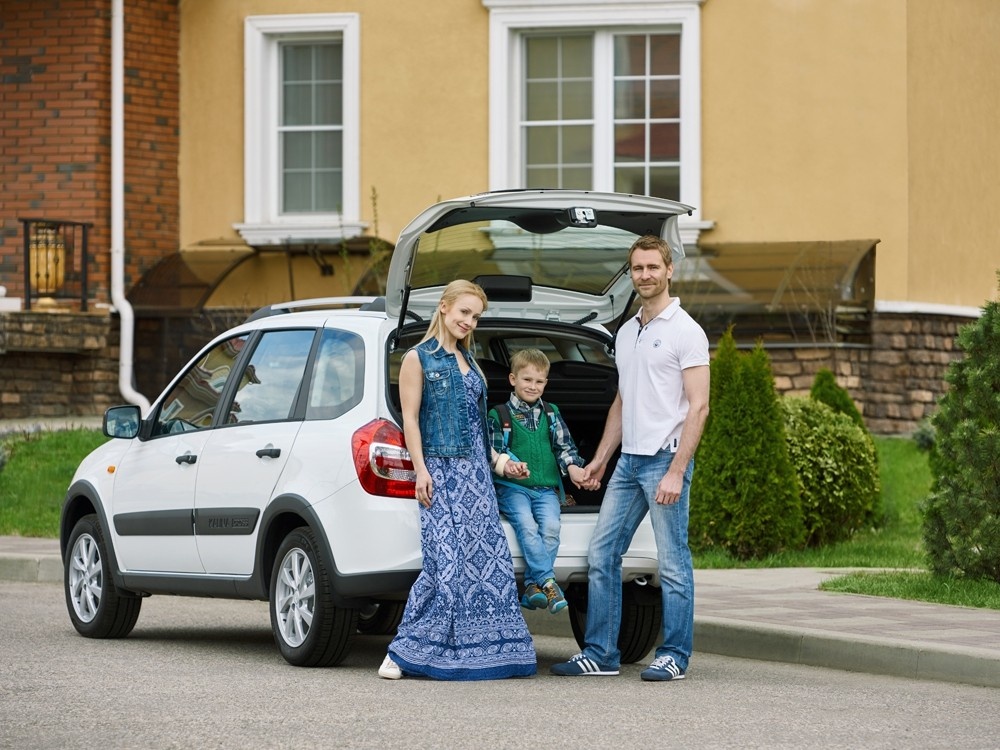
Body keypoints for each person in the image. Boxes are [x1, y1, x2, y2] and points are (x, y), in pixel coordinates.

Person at [549, 234, 710, 682]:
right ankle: (601, 653)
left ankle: (675, 654)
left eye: (652, 267)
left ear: (669, 270)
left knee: (673, 560)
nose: (645, 275)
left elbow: (699, 407)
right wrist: (601, 458)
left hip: (665, 460)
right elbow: (623, 401)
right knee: (602, 554)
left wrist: (677, 471)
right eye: (637, 268)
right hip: (629, 463)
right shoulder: (626, 330)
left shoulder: (686, 331)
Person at [379, 279, 537, 681]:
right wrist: (421, 470)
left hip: (478, 479)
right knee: (443, 564)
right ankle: (401, 652)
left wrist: (502, 464)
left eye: (476, 316)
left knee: (485, 565)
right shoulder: (419, 358)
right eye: (464, 312)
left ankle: (488, 650)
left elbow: (477, 428)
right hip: (442, 473)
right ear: (445, 308)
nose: (469, 321)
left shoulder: (472, 362)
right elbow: (410, 419)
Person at [487, 349, 598, 616]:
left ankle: (532, 588)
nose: (532, 386)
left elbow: (565, 448)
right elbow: (493, 454)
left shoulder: (551, 413)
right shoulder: (499, 416)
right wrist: (509, 466)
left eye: (539, 382)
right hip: (513, 489)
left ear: (546, 383)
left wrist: (573, 468)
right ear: (513, 379)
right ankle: (549, 582)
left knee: (550, 528)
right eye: (527, 380)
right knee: (526, 525)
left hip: (547, 489)